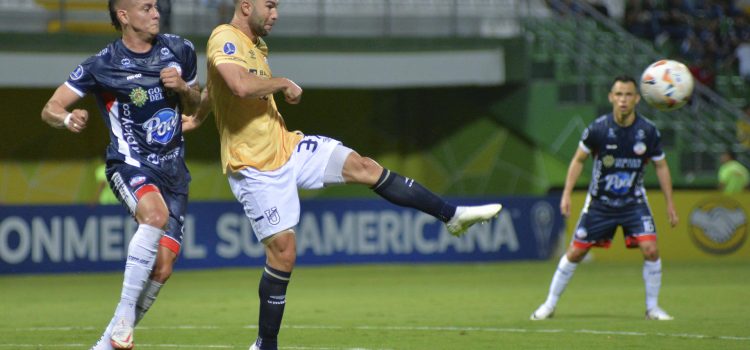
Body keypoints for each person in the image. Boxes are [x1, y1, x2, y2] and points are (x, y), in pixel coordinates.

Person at [185, 1, 502, 349]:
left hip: (287, 147)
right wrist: (283, 83)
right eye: (270, 5)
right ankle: (265, 344)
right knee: (284, 253)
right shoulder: (224, 37)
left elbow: (216, 86)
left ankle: (451, 216)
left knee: (365, 167)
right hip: (254, 168)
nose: (276, 14)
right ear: (246, 5)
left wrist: (198, 118)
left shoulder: (257, 46)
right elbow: (238, 86)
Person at [40, 0, 201, 349]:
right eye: (146, 7)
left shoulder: (181, 49)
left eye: (156, 6)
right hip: (129, 165)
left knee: (162, 269)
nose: (156, 12)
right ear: (124, 16)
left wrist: (185, 89)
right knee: (154, 216)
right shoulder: (103, 64)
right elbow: (51, 107)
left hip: (174, 172)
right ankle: (125, 318)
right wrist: (67, 119)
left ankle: (107, 345)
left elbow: (196, 105)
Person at [529, 76, 679, 322]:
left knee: (651, 250)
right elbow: (578, 160)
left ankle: (652, 308)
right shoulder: (597, 129)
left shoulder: (648, 131)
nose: (623, 100)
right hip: (600, 204)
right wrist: (566, 193)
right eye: (618, 94)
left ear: (637, 99)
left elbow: (661, 166)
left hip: (633, 202)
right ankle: (549, 305)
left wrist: (670, 204)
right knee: (575, 253)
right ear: (611, 97)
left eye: (628, 95)